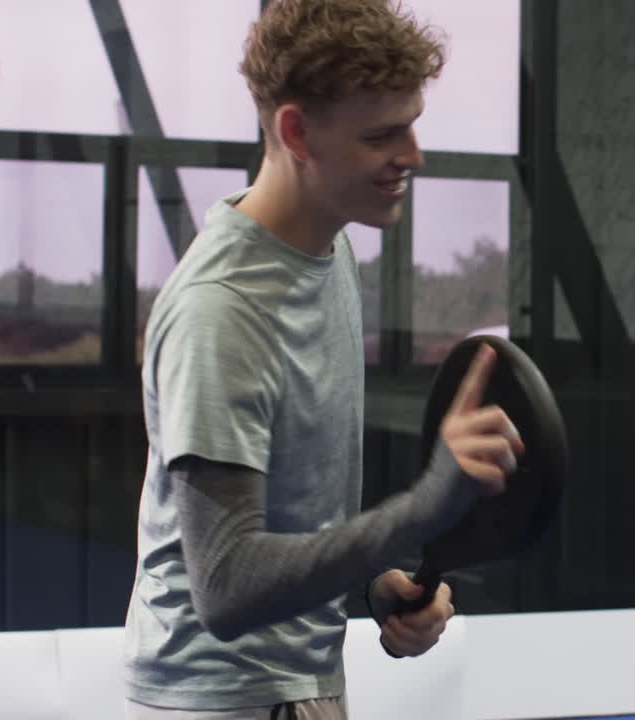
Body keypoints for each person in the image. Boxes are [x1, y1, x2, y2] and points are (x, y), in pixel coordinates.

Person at [121, 1, 524, 718]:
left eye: (411, 123)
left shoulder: (326, 249)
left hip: (301, 687)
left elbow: (293, 528)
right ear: (297, 132)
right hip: (223, 702)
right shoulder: (222, 311)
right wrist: (423, 508)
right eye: (382, 135)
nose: (413, 155)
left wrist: (375, 583)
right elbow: (228, 586)